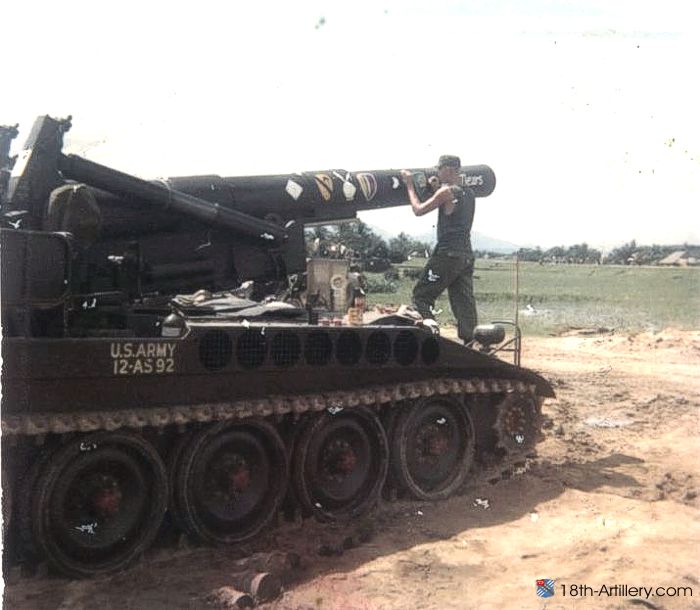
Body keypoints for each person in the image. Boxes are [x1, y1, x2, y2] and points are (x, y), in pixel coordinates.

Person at [400, 155, 477, 343]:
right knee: (463, 302)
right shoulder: (469, 193)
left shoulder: (446, 192)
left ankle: (430, 338)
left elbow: (418, 210)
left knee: (421, 296)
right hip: (465, 255)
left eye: (439, 169)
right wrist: (436, 188)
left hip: (447, 254)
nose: (437, 173)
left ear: (448, 170)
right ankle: (472, 342)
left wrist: (409, 184)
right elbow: (450, 208)